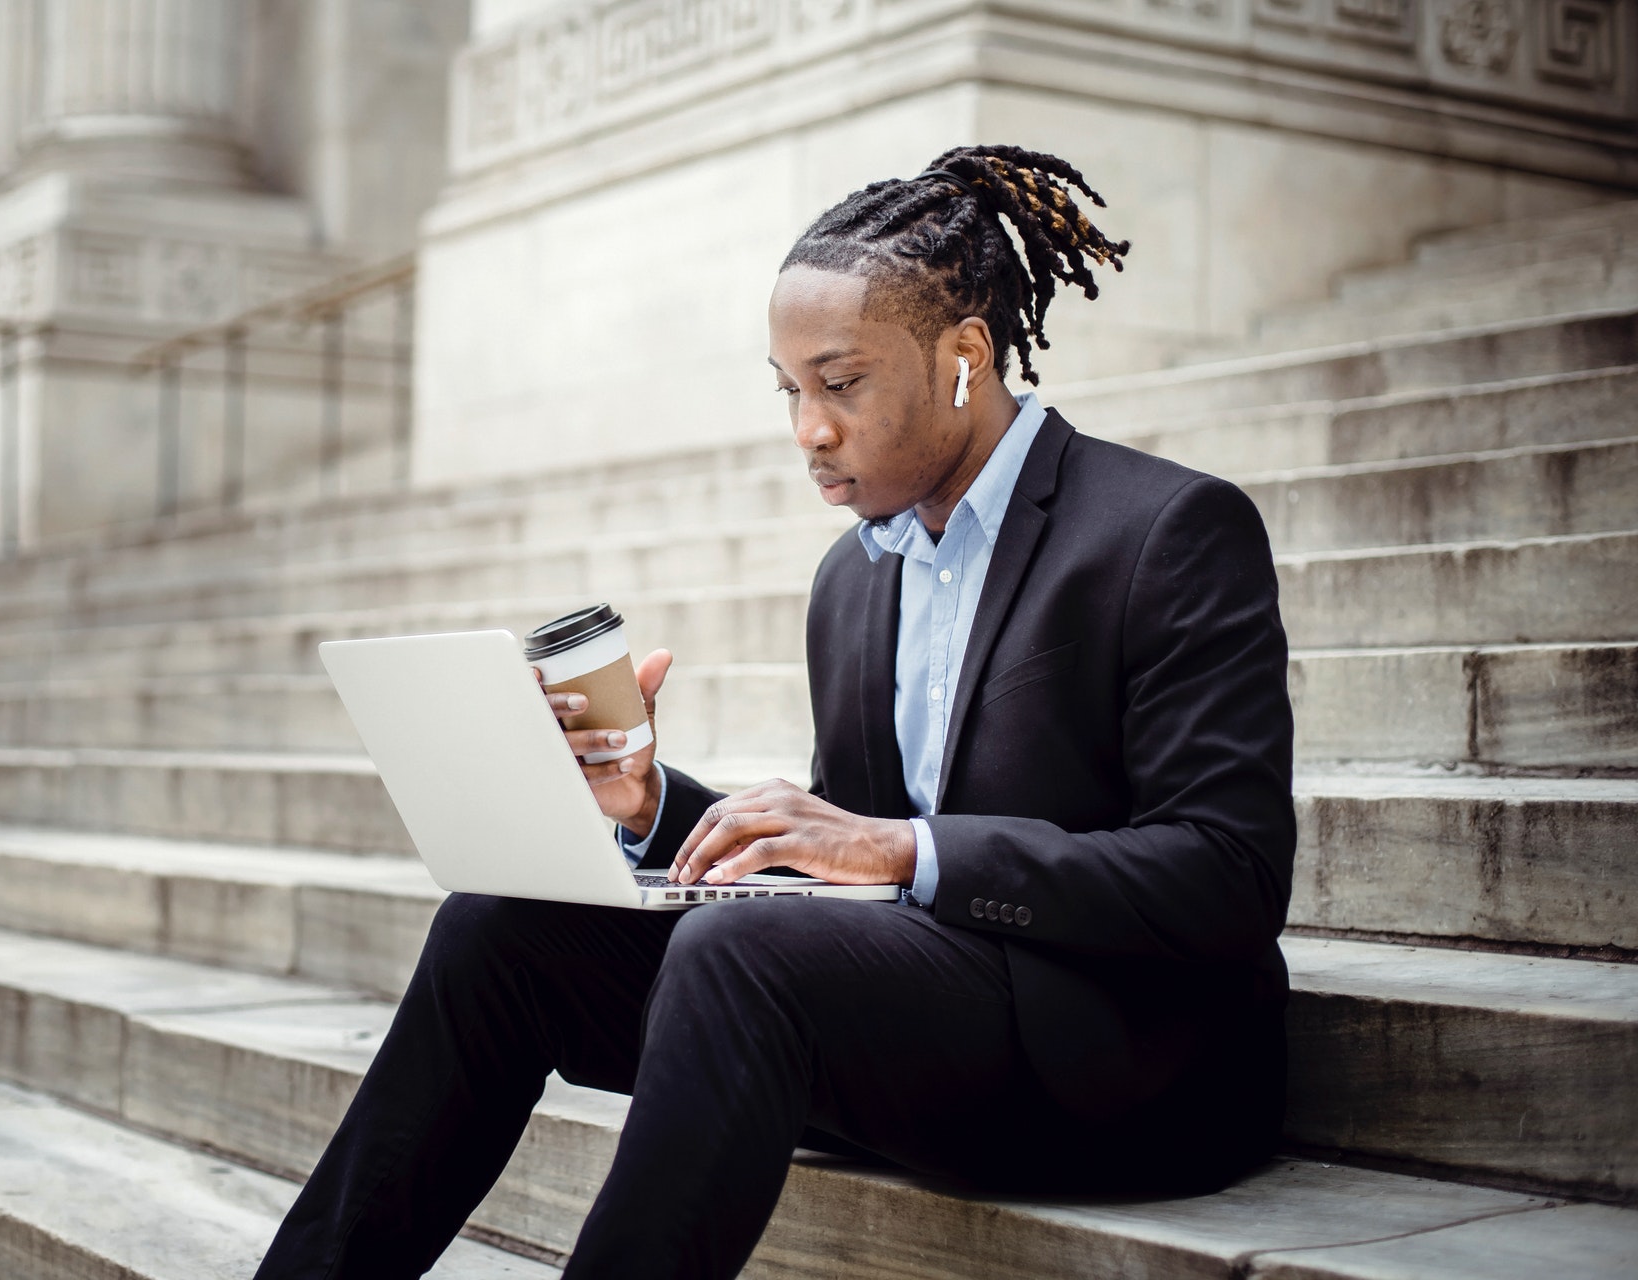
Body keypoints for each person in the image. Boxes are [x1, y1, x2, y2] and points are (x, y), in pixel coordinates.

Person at [253, 143, 1296, 1280]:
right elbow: (837, 867)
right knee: (499, 927)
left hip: (1120, 1062)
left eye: (839, 384)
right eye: (789, 389)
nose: (807, 428)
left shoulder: (1166, 532)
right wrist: (653, 808)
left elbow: (1225, 876)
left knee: (739, 951)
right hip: (918, 1024)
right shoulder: (856, 577)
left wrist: (901, 847)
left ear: (963, 359)